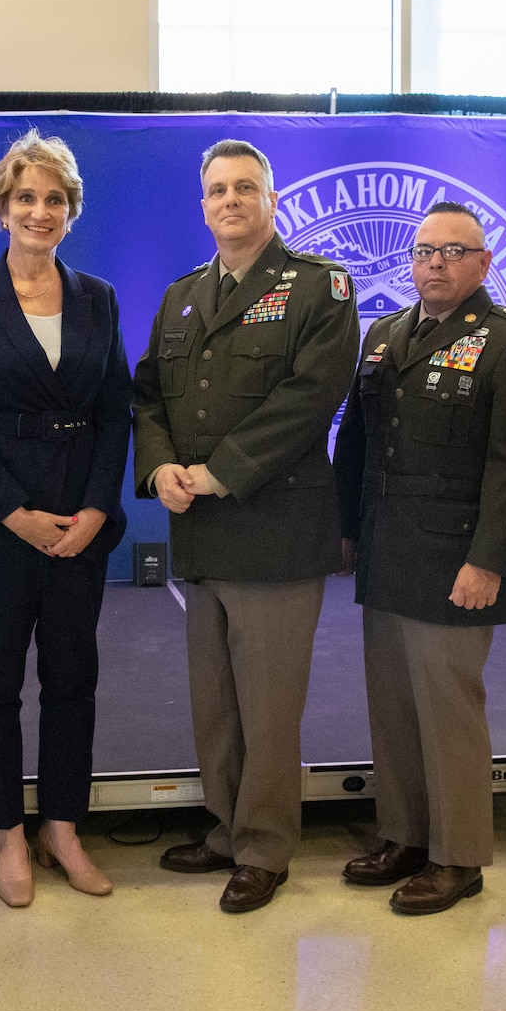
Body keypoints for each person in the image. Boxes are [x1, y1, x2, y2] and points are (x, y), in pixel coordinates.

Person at [130, 139, 358, 913]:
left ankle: (264, 848)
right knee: (216, 702)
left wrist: (218, 471)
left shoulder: (319, 288)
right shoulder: (182, 295)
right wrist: (159, 467)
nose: (230, 200)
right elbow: (149, 398)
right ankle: (226, 829)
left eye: (245, 188)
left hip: (274, 528)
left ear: (271, 198)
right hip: (200, 530)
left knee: (267, 706)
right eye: (218, 190)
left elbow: (309, 397)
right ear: (203, 205)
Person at [333, 200, 506, 915]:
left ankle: (459, 856)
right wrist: (346, 532)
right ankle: (402, 835)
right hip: (388, 549)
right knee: (395, 708)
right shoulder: (385, 333)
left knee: (449, 713)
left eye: (454, 251)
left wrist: (491, 559)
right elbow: (360, 446)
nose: (436, 262)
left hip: (459, 560)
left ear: (484, 263)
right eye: (425, 250)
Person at [0, 131, 132, 908]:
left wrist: (95, 509)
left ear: (70, 211)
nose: (39, 211)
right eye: (25, 198)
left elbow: (115, 414)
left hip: (80, 521)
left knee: (74, 677)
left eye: (54, 199)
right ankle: (8, 834)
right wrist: (13, 514)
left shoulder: (99, 298)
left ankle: (63, 828)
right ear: (2, 209)